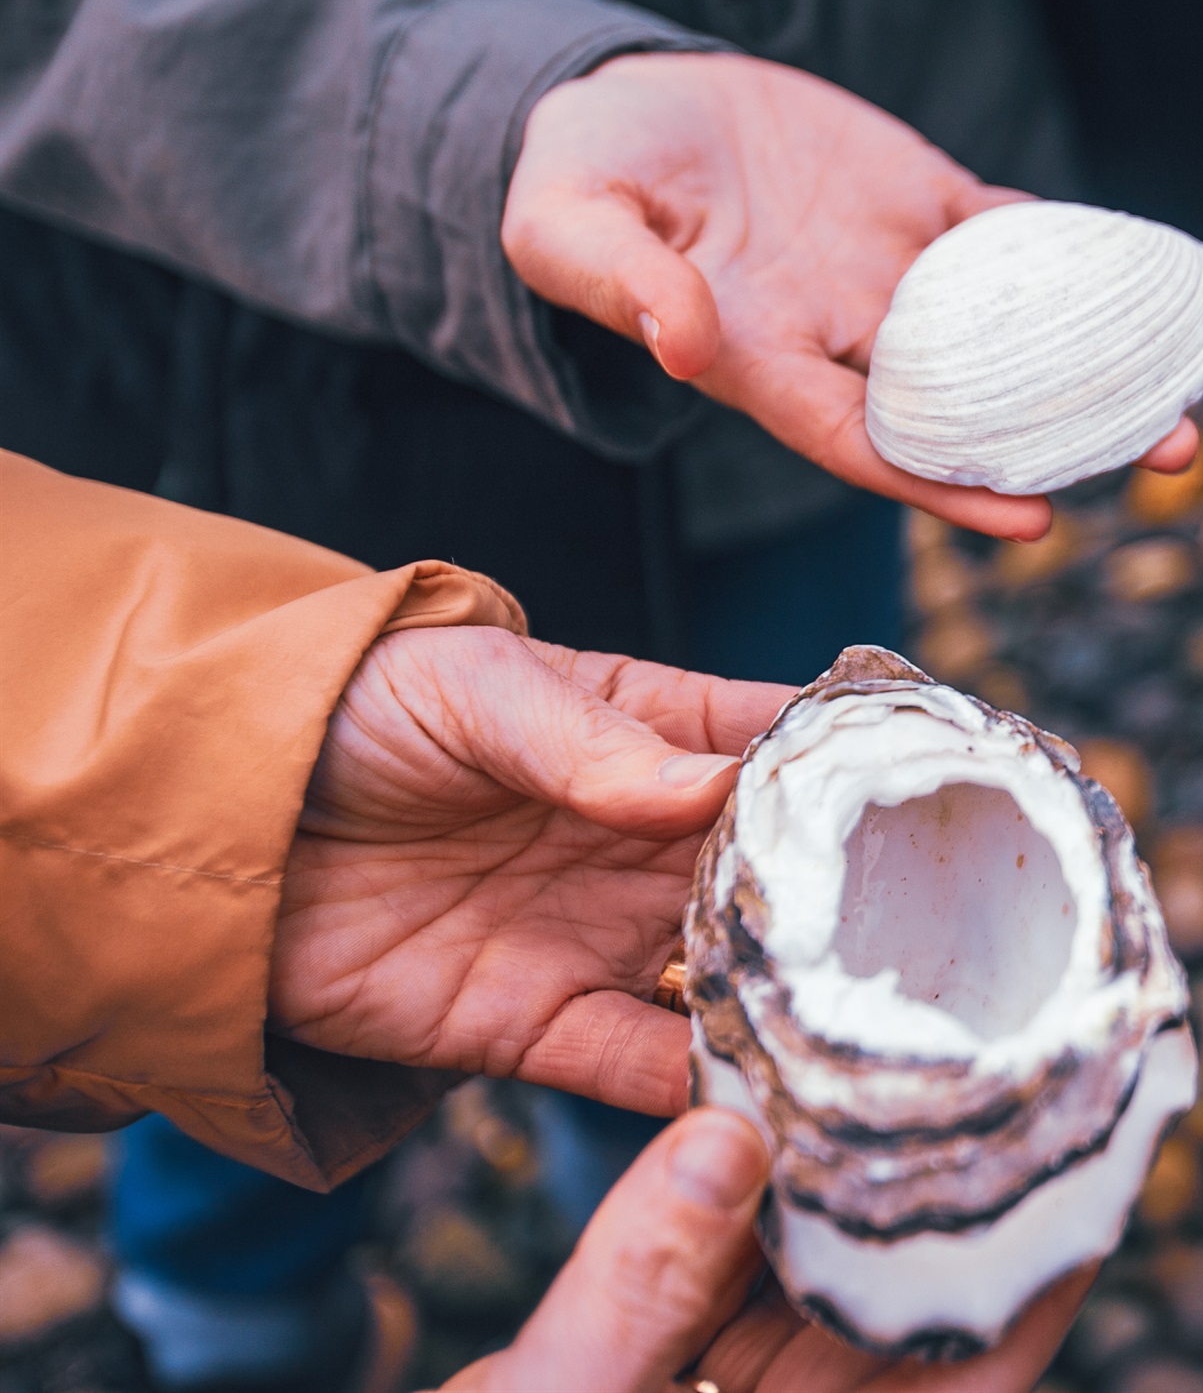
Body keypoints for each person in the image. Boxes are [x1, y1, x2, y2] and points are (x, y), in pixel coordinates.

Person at [0, 0, 1203, 1381]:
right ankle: (226, 1309)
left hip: (826, 177)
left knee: (665, 855)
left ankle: (680, 1165)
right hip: (261, 303)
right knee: (246, 860)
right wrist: (485, 94)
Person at [0, 443, 1087, 1389]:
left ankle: (238, 1311)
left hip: (336, 482)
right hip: (315, 466)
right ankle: (239, 1314)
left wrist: (233, 793)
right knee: (259, 1007)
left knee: (613, 1039)